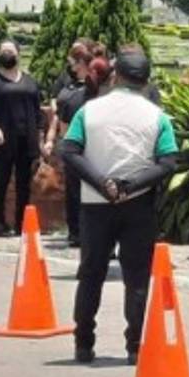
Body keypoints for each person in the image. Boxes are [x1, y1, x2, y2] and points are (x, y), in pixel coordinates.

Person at [60, 47, 178, 364]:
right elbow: (168, 163)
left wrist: (102, 183)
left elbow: (68, 151)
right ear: (146, 81)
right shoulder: (158, 117)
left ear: (115, 76)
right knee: (136, 277)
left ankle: (83, 342)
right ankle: (135, 346)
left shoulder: (89, 111)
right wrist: (130, 186)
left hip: (95, 202)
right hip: (138, 203)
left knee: (91, 273)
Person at [44, 41, 111, 247]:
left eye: (73, 63)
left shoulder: (76, 94)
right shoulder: (105, 95)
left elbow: (65, 127)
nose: (71, 68)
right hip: (96, 152)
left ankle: (81, 233)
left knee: (79, 193)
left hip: (81, 151)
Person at [0, 40, 45, 237]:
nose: (7, 54)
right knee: (2, 180)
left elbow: (38, 111)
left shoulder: (30, 81)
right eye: (4, 51)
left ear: (18, 53)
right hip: (4, 138)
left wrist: (41, 137)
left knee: (24, 183)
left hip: (27, 138)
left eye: (10, 51)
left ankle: (21, 224)